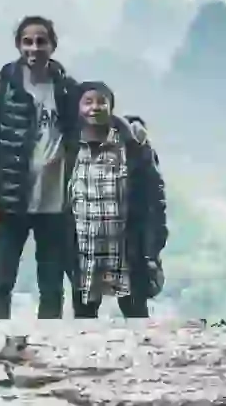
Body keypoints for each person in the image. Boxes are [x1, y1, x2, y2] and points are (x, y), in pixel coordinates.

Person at [0, 15, 79, 319]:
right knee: (1, 282)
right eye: (27, 41)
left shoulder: (68, 92)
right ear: (18, 45)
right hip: (10, 201)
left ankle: (49, 350)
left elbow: (88, 134)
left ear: (53, 45)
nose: (34, 48)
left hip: (55, 203)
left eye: (41, 41)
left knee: (52, 286)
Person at [64, 81, 168, 319]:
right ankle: (83, 355)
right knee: (84, 314)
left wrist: (154, 243)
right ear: (78, 107)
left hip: (125, 243)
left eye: (101, 101)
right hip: (85, 244)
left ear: (111, 106)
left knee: (134, 311)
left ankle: (144, 354)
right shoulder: (69, 146)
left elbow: (154, 196)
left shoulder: (132, 145)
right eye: (87, 102)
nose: (95, 107)